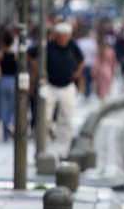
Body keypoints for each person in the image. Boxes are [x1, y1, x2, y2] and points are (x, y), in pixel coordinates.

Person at [28, 21, 84, 160]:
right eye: (59, 36)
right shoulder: (48, 46)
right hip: (50, 86)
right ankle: (41, 150)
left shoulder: (73, 46)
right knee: (43, 119)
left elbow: (81, 60)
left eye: (64, 36)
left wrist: (77, 73)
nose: (62, 39)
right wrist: (38, 70)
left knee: (65, 120)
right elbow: (31, 55)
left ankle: (62, 151)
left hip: (67, 86)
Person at [0, 29, 18, 140]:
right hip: (13, 80)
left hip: (3, 80)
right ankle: (11, 123)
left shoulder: (1, 54)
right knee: (13, 105)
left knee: (3, 106)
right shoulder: (15, 54)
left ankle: (6, 130)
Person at [92, 32, 116, 101]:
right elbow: (113, 61)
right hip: (108, 70)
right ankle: (104, 99)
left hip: (100, 70)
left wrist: (94, 71)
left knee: (101, 86)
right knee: (106, 85)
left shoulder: (99, 51)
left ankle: (102, 99)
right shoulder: (110, 51)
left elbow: (96, 63)